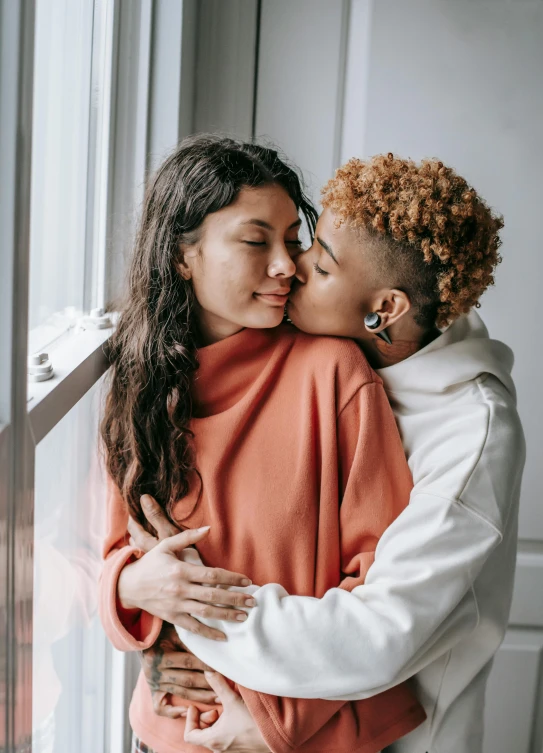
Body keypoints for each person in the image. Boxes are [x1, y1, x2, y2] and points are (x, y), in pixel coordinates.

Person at [132, 154, 526, 753]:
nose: (292, 267)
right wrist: (139, 596)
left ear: (384, 310)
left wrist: (189, 613)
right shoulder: (354, 352)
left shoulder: (472, 438)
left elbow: (375, 637)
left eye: (321, 263)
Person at [97, 136, 426, 753]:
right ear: (181, 256)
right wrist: (129, 589)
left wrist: (274, 721)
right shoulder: (138, 389)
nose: (287, 266)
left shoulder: (334, 375)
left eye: (293, 242)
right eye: (257, 241)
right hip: (169, 734)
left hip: (305, 737)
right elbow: (117, 553)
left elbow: (385, 595)